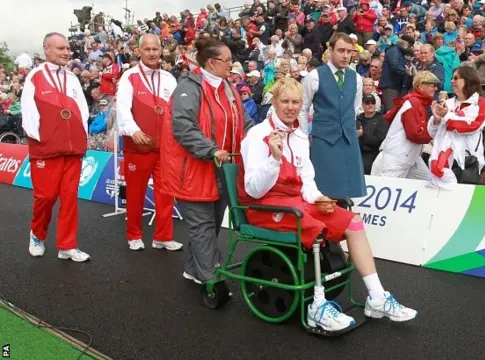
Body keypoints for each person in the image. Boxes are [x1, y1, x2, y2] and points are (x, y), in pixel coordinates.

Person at [238, 77, 417, 333]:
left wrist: (318, 198)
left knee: (351, 220)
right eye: (285, 101)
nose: (290, 107)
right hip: (262, 207)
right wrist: (274, 160)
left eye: (295, 102)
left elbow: (307, 181)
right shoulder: (257, 135)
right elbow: (253, 190)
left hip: (295, 203)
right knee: (311, 224)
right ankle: (317, 307)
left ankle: (377, 297)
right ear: (274, 102)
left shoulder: (299, 136)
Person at [160, 36, 253, 284]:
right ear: (211, 63)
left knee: (210, 226)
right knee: (201, 227)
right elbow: (183, 127)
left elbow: (245, 123)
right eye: (227, 60)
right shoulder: (188, 88)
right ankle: (210, 278)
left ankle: (193, 268)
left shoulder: (230, 89)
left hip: (223, 170)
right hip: (194, 170)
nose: (232, 65)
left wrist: (263, 138)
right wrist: (211, 150)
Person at [21, 32, 90, 262]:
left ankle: (67, 245)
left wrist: (82, 137)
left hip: (72, 150)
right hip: (46, 149)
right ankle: (37, 235)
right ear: (46, 49)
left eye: (67, 48)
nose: (65, 52)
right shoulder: (35, 77)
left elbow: (83, 109)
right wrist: (42, 139)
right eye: (60, 48)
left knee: (70, 198)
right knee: (46, 197)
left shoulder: (72, 78)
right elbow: (29, 114)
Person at [117, 34, 183, 251]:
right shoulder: (129, 77)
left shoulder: (169, 78)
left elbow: (175, 112)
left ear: (161, 51)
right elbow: (123, 109)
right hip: (138, 147)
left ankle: (163, 236)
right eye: (147, 50)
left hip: (164, 148)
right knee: (135, 194)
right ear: (139, 51)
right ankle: (134, 234)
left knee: (166, 194)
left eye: (156, 49)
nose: (152, 53)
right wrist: (133, 131)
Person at [299, 32, 366, 199]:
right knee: (323, 193)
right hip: (324, 140)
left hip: (348, 141)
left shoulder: (356, 78)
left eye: (349, 52)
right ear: (330, 50)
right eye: (341, 50)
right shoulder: (314, 76)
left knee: (347, 194)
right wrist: (304, 136)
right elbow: (302, 108)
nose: (345, 56)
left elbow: (355, 108)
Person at [371, 71, 438, 179]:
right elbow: (414, 134)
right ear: (421, 85)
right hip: (398, 158)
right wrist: (432, 137)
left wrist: (436, 122)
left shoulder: (415, 102)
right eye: (433, 85)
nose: (436, 89)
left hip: (408, 157)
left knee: (430, 183)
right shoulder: (413, 103)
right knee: (388, 191)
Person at [428, 66, 485, 188]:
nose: (452, 81)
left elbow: (472, 126)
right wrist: (436, 119)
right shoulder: (448, 103)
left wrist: (447, 116)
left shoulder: (479, 103)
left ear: (468, 80)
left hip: (468, 160)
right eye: (451, 78)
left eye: (456, 78)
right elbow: (432, 132)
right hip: (443, 161)